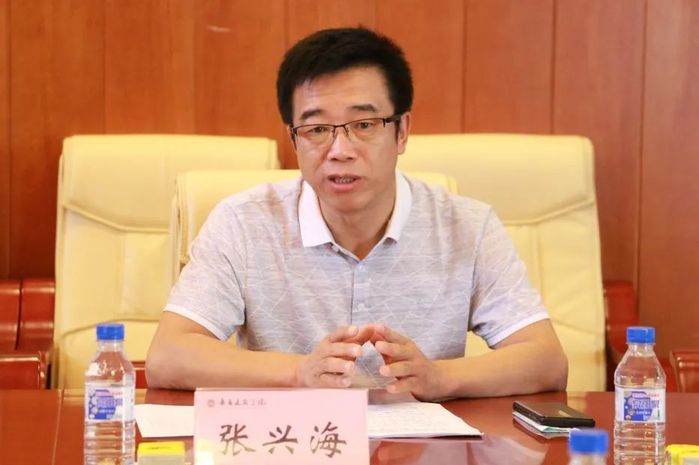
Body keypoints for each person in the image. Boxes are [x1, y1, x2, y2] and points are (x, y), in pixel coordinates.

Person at [146, 27, 567, 400]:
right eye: (316, 129)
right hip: (293, 444)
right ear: (294, 140)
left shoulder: (468, 227)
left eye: (364, 125)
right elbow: (169, 356)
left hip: (424, 449)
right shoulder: (243, 223)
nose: (340, 150)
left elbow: (545, 360)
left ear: (402, 132)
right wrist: (299, 372)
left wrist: (439, 377)